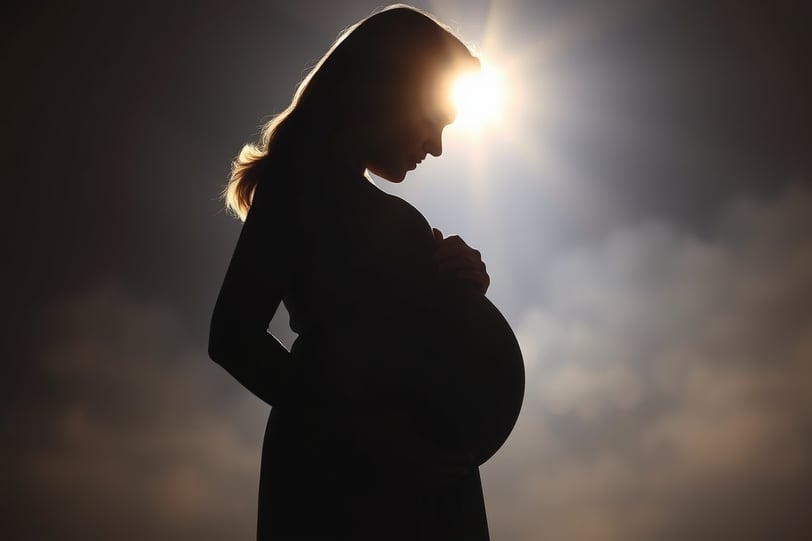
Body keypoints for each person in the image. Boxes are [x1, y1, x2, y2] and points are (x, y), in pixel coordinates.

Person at [209, 5, 495, 540]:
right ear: (390, 91)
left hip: (421, 471)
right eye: (434, 122)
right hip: (348, 484)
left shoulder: (380, 211)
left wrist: (465, 293)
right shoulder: (298, 184)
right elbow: (232, 337)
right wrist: (361, 432)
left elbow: (427, 345)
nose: (436, 147)